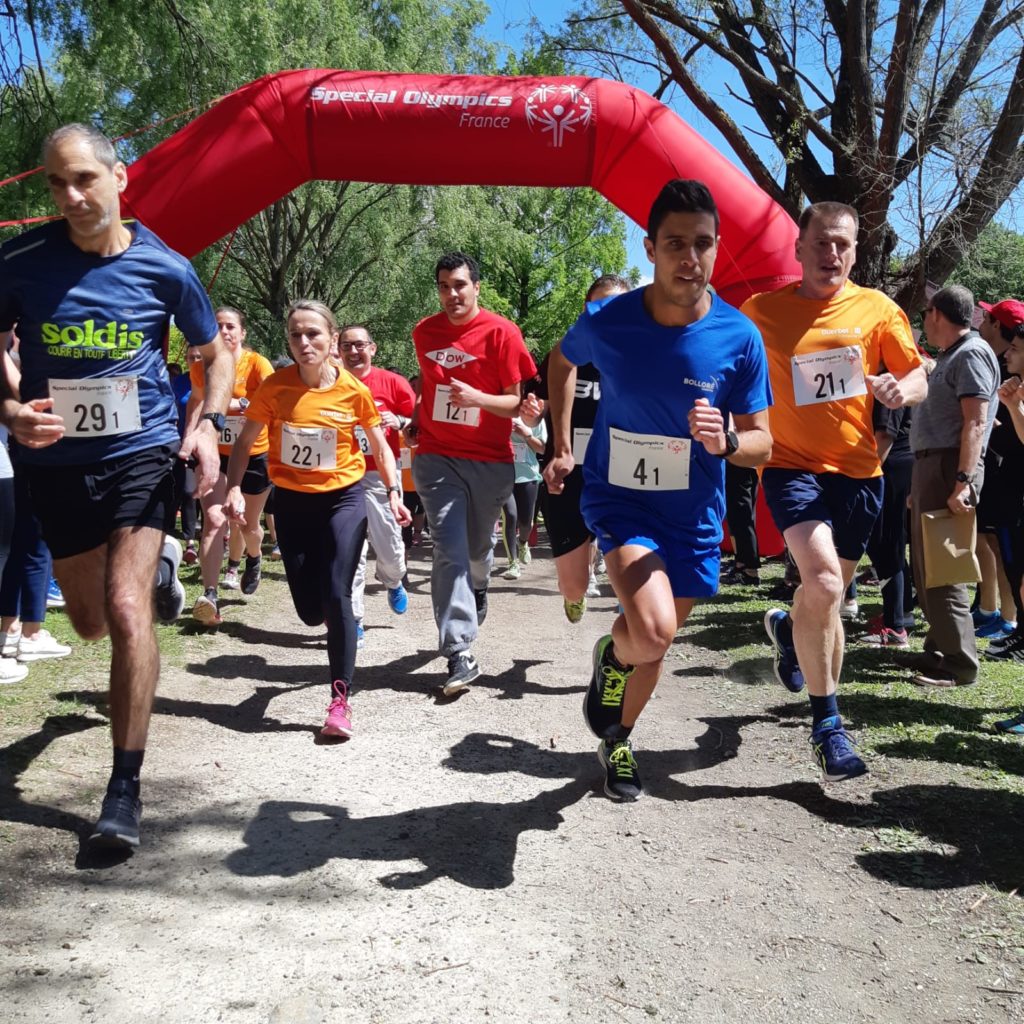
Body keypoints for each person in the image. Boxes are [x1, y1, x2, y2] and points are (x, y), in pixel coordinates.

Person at [0, 123, 231, 849]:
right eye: (55, 184)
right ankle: (152, 579)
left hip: (141, 453)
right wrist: (7, 407)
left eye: (83, 180)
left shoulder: (166, 267)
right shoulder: (20, 261)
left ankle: (122, 792)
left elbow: (212, 354)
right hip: (54, 464)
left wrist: (208, 427)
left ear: (119, 177)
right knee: (92, 621)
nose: (69, 197)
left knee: (128, 613)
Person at [545, 179, 773, 801]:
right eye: (675, 243)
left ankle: (616, 739)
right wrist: (563, 443)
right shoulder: (610, 320)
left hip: (695, 513)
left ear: (717, 248)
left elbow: (764, 445)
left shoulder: (738, 336)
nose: (689, 258)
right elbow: (561, 362)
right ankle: (614, 656)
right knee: (652, 631)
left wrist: (726, 438)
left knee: (654, 642)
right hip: (622, 498)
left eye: (702, 244)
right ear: (649, 247)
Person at [743, 200, 926, 781]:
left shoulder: (878, 309)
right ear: (798, 248)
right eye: (821, 242)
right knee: (822, 582)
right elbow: (723, 365)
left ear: (855, 250)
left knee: (829, 597)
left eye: (843, 244)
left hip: (859, 472)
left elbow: (919, 372)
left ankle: (785, 629)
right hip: (790, 467)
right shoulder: (759, 312)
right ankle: (828, 726)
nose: (832, 253)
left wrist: (902, 390)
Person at [222, 300, 409, 736]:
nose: (304, 342)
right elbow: (247, 439)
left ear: (331, 339)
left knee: (340, 594)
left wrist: (395, 492)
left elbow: (380, 446)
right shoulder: (275, 387)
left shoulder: (352, 390)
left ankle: (339, 702)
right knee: (310, 611)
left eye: (313, 334)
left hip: (344, 498)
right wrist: (233, 487)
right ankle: (328, 617)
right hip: (290, 502)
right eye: (295, 335)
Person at [405, 252, 536, 696]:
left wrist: (478, 399)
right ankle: (458, 650)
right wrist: (418, 421)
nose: (451, 294)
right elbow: (429, 386)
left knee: (477, 551)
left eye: (460, 285)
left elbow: (515, 403)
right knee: (450, 549)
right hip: (437, 457)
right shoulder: (424, 332)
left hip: (490, 461)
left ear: (477, 287)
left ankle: (480, 586)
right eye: (444, 286)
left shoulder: (502, 333)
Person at [907, 286, 1000, 687]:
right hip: (934, 466)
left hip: (949, 466)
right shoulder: (951, 356)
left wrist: (962, 480)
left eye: (926, 313)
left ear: (938, 314)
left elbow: (976, 422)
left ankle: (960, 664)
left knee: (945, 568)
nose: (924, 321)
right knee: (928, 567)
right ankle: (940, 650)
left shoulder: (972, 353)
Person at [534, 274, 631, 620]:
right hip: (568, 478)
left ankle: (631, 615)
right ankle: (574, 595)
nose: (608, 313)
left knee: (632, 578)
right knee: (574, 585)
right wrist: (531, 412)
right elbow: (534, 406)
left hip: (622, 477)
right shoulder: (563, 354)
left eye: (618, 305)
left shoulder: (641, 361)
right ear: (586, 309)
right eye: (599, 304)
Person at [189, 308, 274, 625]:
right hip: (215, 452)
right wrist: (190, 437)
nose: (224, 331)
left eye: (230, 326)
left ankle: (254, 555)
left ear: (242, 333)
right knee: (213, 519)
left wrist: (233, 405)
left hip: (254, 454)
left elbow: (270, 402)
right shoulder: (202, 367)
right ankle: (209, 595)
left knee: (247, 524)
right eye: (218, 326)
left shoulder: (256, 364)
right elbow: (196, 402)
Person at [337, 324, 416, 637]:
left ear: (373, 348)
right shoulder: (331, 383)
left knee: (390, 547)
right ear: (338, 350)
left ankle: (393, 580)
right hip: (342, 474)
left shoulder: (393, 383)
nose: (354, 352)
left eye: (359, 345)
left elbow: (418, 429)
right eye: (347, 346)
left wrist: (401, 422)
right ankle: (353, 619)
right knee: (350, 550)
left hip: (382, 474)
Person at [974, 299, 1024, 639]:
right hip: (1001, 471)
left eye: (989, 316)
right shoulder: (1000, 367)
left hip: (1010, 475)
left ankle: (1009, 619)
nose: (982, 319)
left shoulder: (1012, 379)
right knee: (993, 543)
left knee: (1005, 549)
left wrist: (1010, 407)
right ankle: (995, 612)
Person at [502, 393, 547, 580]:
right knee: (510, 517)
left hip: (527, 475)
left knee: (526, 523)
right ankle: (512, 563)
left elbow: (543, 448)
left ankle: (523, 542)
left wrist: (526, 434)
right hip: (502, 475)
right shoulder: (499, 412)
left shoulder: (535, 416)